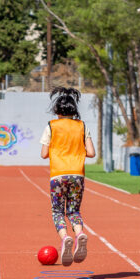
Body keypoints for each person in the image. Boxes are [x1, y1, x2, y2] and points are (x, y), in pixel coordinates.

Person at [40, 87, 96, 266]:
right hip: (77, 175)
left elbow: (43, 154)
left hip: (58, 175)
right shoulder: (82, 126)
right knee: (73, 211)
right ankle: (80, 234)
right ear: (74, 110)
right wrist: (76, 151)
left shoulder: (51, 126)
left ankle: (65, 238)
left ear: (57, 111)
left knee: (57, 211)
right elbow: (92, 153)